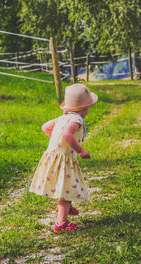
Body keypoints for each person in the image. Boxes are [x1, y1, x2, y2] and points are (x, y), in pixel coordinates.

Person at [30, 83, 98, 232]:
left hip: (54, 157)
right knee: (66, 191)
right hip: (64, 161)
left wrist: (57, 143)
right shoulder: (77, 120)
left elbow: (45, 127)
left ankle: (65, 208)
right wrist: (80, 150)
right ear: (85, 109)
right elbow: (67, 134)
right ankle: (61, 223)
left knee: (66, 187)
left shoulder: (63, 118)